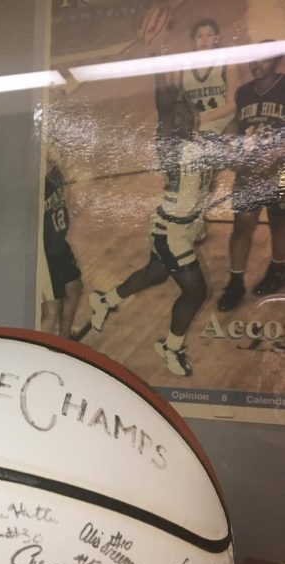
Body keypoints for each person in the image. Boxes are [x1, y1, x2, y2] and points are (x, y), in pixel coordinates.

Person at [90, 78, 216, 377]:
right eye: (176, 115)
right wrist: (159, 69)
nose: (183, 118)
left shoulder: (202, 142)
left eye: (187, 113)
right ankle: (170, 348)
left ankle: (106, 300)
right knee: (196, 292)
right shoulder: (169, 145)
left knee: (156, 274)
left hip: (186, 226)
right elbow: (163, 110)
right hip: (170, 232)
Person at [216, 48, 285, 311]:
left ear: (276, 61)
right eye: (253, 60)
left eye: (263, 59)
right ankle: (235, 283)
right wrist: (227, 135)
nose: (256, 65)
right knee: (241, 226)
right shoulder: (244, 92)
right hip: (250, 168)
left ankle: (278, 269)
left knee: (279, 220)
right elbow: (237, 122)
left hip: (282, 170)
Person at [173, 18, 245, 243]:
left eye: (208, 35)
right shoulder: (181, 67)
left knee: (222, 173)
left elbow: (234, 103)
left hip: (226, 124)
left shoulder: (227, 63)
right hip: (199, 128)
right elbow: (178, 103)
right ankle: (196, 223)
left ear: (217, 38)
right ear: (192, 41)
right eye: (199, 35)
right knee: (194, 177)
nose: (204, 40)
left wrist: (199, 119)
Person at [41, 155, 82, 339]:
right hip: (45, 253)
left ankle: (64, 341)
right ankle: (40, 352)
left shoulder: (55, 173)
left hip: (60, 244)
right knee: (51, 309)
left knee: (74, 288)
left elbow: (70, 202)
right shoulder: (36, 184)